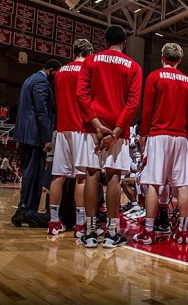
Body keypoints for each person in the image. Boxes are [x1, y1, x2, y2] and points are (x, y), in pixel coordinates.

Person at [76, 25, 142, 248]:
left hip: (92, 129)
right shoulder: (133, 66)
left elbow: (81, 94)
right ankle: (112, 233)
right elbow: (133, 103)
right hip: (118, 130)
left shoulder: (90, 61)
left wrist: (96, 124)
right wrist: (114, 132)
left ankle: (91, 232)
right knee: (114, 177)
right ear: (124, 42)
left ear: (105, 41)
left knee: (92, 175)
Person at [133, 43, 188, 245]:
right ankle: (183, 232)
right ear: (180, 60)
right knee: (182, 185)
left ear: (162, 57)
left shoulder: (155, 76)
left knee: (153, 182)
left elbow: (147, 110)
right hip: (181, 136)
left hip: (158, 134)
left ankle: (149, 232)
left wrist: (143, 136)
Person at [47, 39, 93, 236]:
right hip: (81, 128)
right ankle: (80, 225)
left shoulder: (60, 72)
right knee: (81, 178)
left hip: (62, 127)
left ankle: (54, 221)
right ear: (89, 53)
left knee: (58, 177)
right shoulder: (89, 70)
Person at [11, 59, 62, 227]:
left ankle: (25, 209)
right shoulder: (41, 81)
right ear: (52, 71)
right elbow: (42, 111)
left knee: (29, 174)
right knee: (34, 175)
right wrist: (47, 138)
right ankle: (25, 210)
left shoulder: (29, 79)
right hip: (35, 136)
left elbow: (21, 105)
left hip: (24, 134)